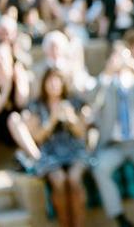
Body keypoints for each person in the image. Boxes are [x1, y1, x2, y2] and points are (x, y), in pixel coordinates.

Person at [86, 46, 134, 227]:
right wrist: (107, 72)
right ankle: (120, 218)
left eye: (126, 57)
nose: (122, 61)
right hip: (113, 145)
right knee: (100, 169)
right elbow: (91, 99)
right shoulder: (105, 83)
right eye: (117, 57)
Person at [22, 69, 89, 227]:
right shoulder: (36, 105)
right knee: (59, 181)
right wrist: (52, 120)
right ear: (44, 84)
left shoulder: (74, 102)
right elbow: (37, 137)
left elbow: (81, 133)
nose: (53, 84)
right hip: (50, 152)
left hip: (74, 151)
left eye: (57, 80)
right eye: (50, 81)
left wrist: (71, 118)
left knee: (73, 179)